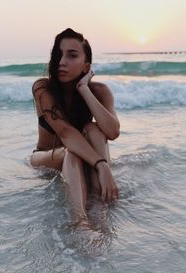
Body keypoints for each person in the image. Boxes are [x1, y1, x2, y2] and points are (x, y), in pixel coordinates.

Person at [30, 28, 120, 228]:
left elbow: (112, 132)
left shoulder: (100, 91)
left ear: (86, 66)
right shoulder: (42, 88)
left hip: (85, 159)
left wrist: (84, 89)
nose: (62, 62)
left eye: (72, 55)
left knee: (93, 128)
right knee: (72, 153)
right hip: (47, 157)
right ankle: (79, 223)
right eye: (58, 55)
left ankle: (98, 205)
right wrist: (103, 165)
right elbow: (66, 133)